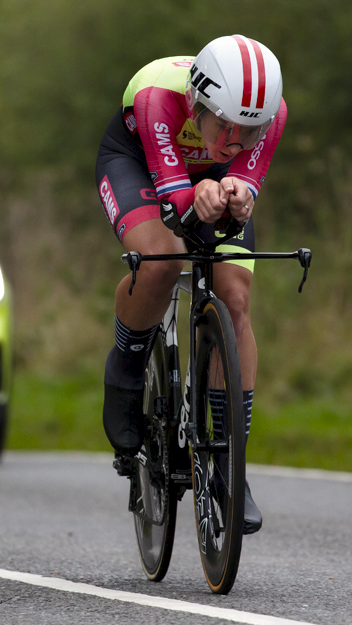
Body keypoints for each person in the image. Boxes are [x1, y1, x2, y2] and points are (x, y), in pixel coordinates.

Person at [96, 35, 286, 535]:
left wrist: (239, 195)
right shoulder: (158, 96)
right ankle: (126, 370)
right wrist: (194, 192)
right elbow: (180, 203)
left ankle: (230, 462)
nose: (233, 139)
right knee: (163, 261)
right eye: (223, 124)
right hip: (138, 163)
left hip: (210, 179)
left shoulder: (271, 115)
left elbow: (244, 177)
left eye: (249, 130)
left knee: (236, 298)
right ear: (198, 103)